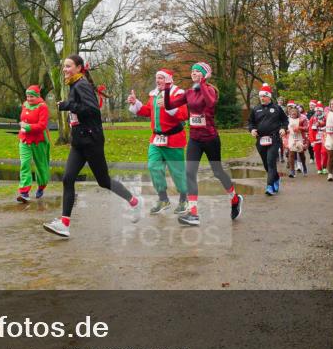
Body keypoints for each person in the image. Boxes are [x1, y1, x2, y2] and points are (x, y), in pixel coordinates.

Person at [43, 55, 142, 238]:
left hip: (91, 141)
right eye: (64, 66)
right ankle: (64, 223)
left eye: (69, 66)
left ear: (79, 68)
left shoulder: (81, 85)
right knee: (68, 178)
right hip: (79, 141)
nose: (65, 69)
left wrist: (68, 105)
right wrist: (70, 107)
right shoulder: (74, 84)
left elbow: (93, 109)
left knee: (104, 181)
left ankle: (134, 201)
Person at [162, 61, 244, 226]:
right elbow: (169, 104)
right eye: (192, 71)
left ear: (205, 74)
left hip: (210, 138)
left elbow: (211, 103)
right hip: (195, 139)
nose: (193, 73)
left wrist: (203, 83)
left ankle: (235, 199)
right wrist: (166, 89)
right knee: (189, 173)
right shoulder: (189, 92)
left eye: (197, 71)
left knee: (218, 171)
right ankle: (193, 213)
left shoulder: (210, 90)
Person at [128, 69, 190, 215]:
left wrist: (169, 106)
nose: (158, 80)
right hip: (156, 139)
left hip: (174, 138)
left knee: (177, 172)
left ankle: (184, 200)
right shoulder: (154, 95)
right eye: (157, 78)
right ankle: (163, 199)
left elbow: (184, 115)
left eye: (161, 78)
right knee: (153, 166)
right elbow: (147, 111)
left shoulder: (178, 94)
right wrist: (135, 103)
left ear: (169, 80)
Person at [248, 83, 288, 196]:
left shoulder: (277, 108)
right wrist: (252, 130)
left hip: (274, 139)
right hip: (260, 140)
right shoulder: (256, 109)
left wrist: (283, 129)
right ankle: (276, 178)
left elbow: (285, 121)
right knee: (266, 164)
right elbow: (250, 122)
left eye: (264, 96)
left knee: (271, 162)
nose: (262, 98)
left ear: (269, 97)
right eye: (261, 96)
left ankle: (269, 186)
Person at [16, 85, 51, 203]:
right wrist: (22, 124)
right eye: (27, 96)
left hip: (38, 140)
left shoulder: (43, 107)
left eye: (31, 96)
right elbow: (23, 118)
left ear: (37, 96)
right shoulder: (25, 104)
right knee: (24, 163)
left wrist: (28, 127)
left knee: (40, 165)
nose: (29, 99)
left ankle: (41, 186)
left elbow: (42, 125)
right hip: (24, 138)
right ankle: (24, 192)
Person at [285, 102, 308, 177]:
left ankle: (304, 166)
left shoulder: (302, 119)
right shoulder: (287, 119)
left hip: (300, 138)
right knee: (291, 153)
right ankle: (292, 171)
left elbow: (307, 128)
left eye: (294, 113)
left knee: (301, 154)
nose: (293, 114)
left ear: (297, 113)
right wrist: (286, 131)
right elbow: (284, 128)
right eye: (291, 113)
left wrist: (299, 128)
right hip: (291, 138)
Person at [308, 103, 328, 175]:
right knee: (317, 153)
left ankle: (325, 167)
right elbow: (310, 130)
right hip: (316, 138)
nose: (318, 112)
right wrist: (312, 140)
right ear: (315, 111)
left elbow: (328, 126)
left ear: (322, 111)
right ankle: (319, 168)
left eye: (320, 111)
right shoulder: (312, 118)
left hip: (324, 137)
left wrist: (322, 127)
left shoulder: (326, 118)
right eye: (317, 111)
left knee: (325, 152)